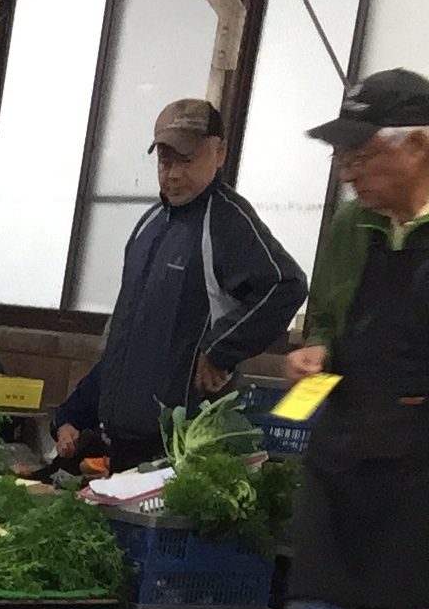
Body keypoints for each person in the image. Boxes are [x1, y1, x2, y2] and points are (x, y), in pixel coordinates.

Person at [52, 98, 303, 470]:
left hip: (180, 452)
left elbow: (285, 285)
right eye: (164, 161)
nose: (172, 175)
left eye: (186, 161)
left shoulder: (226, 222)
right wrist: (73, 413)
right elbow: (125, 341)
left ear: (219, 153)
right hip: (122, 445)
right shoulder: (149, 225)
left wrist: (221, 349)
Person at [279, 68, 429, 609]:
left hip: (420, 473)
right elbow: (324, 316)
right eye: (341, 156)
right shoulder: (351, 224)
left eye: (360, 155)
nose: (346, 172)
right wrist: (314, 348)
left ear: (417, 145)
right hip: (341, 456)